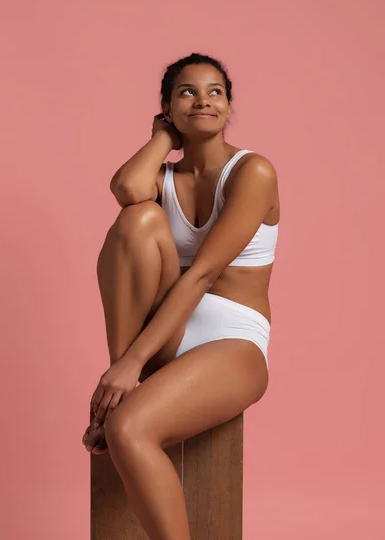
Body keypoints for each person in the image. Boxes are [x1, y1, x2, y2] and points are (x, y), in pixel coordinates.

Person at [82, 52, 280, 539]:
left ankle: (122, 394)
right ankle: (123, 390)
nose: (203, 101)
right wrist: (161, 140)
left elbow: (203, 274)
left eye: (216, 91)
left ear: (230, 107)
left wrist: (129, 366)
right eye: (187, 92)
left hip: (231, 339)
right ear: (167, 108)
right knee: (138, 219)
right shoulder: (163, 176)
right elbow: (127, 188)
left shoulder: (252, 171)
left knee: (129, 430)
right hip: (162, 332)